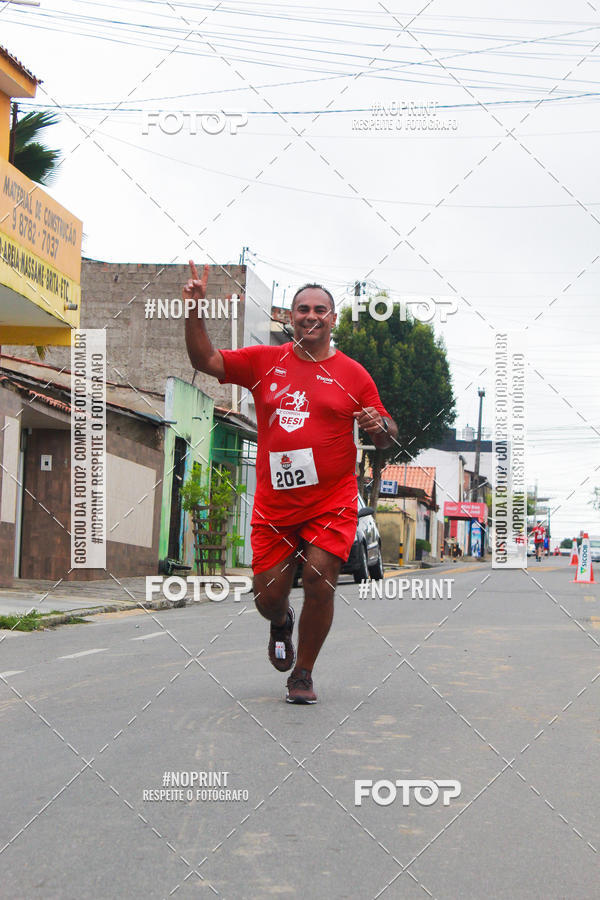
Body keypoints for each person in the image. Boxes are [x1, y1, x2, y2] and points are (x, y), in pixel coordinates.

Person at [184, 262, 397, 704]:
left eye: (320, 308)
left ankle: (302, 673)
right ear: (290, 317)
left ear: (333, 319)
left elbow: (387, 435)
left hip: (331, 499)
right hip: (275, 504)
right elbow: (205, 361)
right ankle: (281, 623)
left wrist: (380, 426)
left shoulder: (354, 375)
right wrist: (194, 311)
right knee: (268, 596)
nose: (310, 315)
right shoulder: (264, 361)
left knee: (322, 576)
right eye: (302, 308)